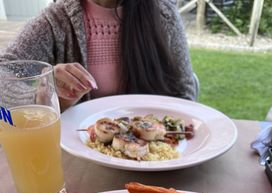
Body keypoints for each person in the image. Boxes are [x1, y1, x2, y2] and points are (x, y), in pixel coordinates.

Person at [0, 0, 197, 111]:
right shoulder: (55, 21)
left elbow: (185, 92)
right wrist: (45, 96)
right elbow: (4, 71)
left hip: (158, 160)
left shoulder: (163, 14)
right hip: (81, 160)